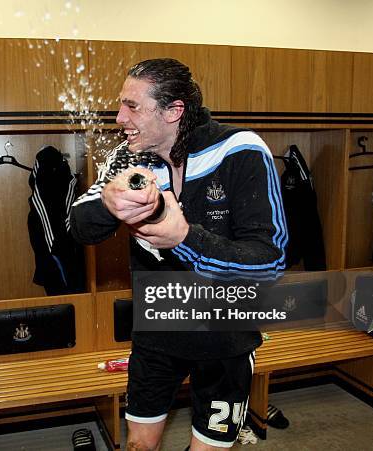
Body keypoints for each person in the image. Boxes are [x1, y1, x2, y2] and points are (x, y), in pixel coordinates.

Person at [70, 59, 287, 450]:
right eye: (121, 105)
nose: (120, 118)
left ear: (174, 111)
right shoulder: (128, 156)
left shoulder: (240, 150)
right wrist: (107, 203)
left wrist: (184, 238)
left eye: (132, 106)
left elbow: (268, 263)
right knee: (138, 446)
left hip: (225, 339)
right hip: (158, 331)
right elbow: (78, 226)